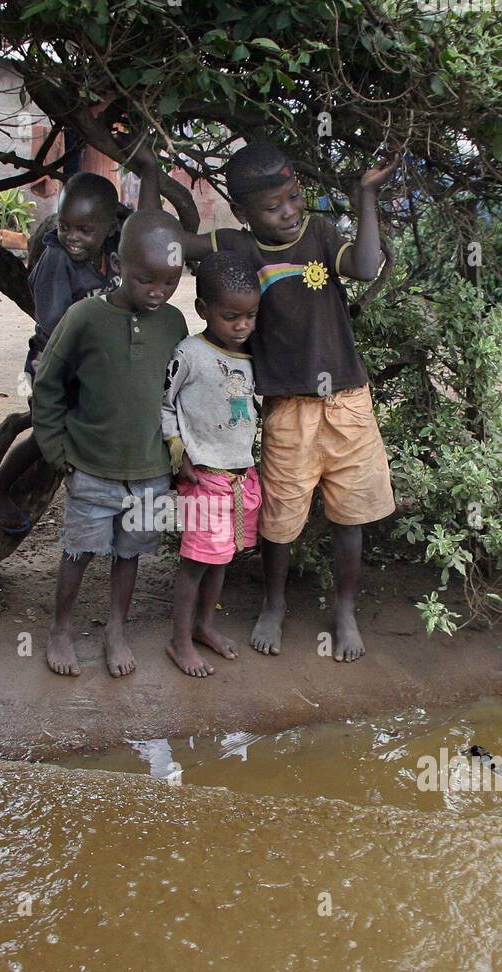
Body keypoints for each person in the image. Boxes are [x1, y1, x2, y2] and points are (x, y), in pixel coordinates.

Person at [135, 139, 397, 662]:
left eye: (293, 198)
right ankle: (273, 604)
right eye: (273, 207)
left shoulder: (321, 234)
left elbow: (367, 267)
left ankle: (344, 609)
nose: (288, 213)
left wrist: (366, 194)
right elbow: (160, 245)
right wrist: (148, 176)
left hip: (348, 401)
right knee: (280, 518)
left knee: (351, 515)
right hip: (286, 408)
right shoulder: (236, 246)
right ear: (242, 212)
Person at [32, 210, 188, 677]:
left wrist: (179, 458)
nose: (157, 292)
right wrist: (56, 451)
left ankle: (115, 629)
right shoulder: (85, 317)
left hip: (151, 473)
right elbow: (48, 383)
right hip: (91, 469)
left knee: (130, 555)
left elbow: (175, 393)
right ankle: (61, 629)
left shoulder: (173, 324)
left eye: (169, 282)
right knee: (78, 552)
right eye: (145, 280)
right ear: (118, 264)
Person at [0, 172, 124, 533]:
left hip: (90, 362)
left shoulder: (115, 250)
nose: (72, 238)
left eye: (84, 230)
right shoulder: (57, 261)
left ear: (109, 227)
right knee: (49, 433)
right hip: (53, 361)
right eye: (65, 227)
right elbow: (54, 327)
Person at [162, 252, 262, 677]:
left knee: (222, 557)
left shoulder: (251, 357)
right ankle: (179, 640)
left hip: (241, 475)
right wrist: (176, 450)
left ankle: (204, 626)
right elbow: (164, 404)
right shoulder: (189, 353)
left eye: (250, 316)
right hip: (203, 475)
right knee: (196, 561)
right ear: (203, 310)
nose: (242, 325)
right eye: (230, 316)